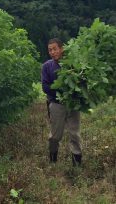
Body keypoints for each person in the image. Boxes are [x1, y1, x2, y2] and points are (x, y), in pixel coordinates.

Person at [41, 38, 82, 166]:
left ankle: (77, 164)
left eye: (54, 49)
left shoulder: (73, 64)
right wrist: (61, 93)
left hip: (73, 104)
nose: (52, 52)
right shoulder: (47, 66)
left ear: (61, 49)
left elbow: (82, 83)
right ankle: (53, 160)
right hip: (56, 104)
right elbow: (45, 87)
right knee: (55, 136)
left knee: (74, 133)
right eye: (50, 50)